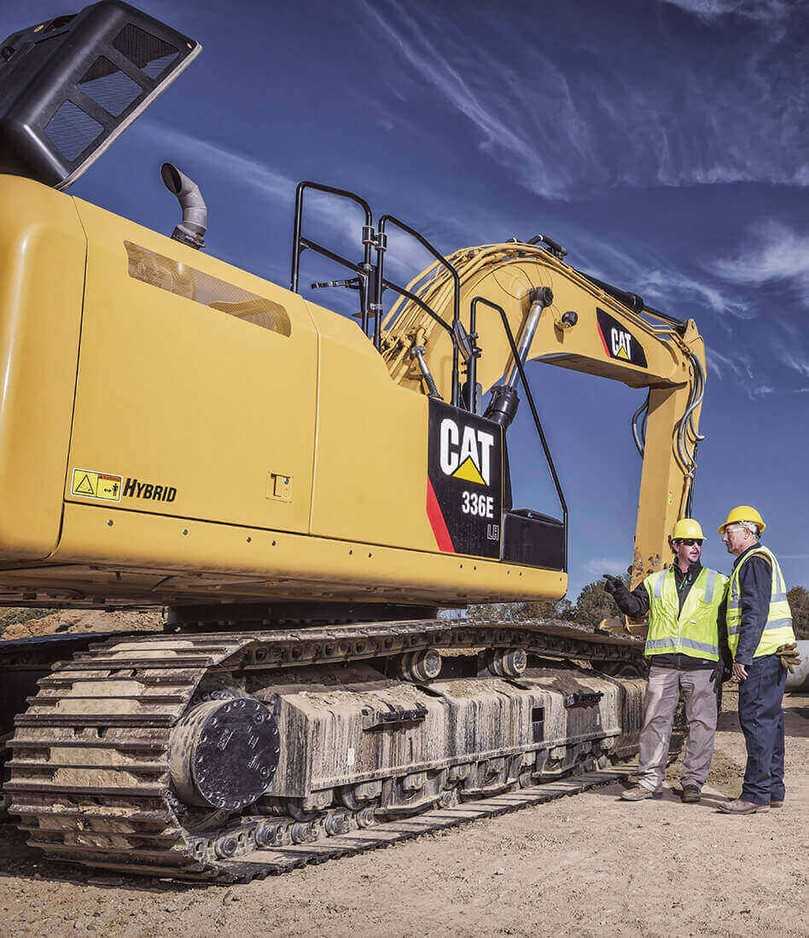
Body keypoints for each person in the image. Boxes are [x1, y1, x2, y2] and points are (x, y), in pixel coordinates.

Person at [603, 518, 727, 803]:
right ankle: (649, 782)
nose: (696, 547)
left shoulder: (718, 582)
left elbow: (726, 624)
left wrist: (726, 661)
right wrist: (621, 593)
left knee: (702, 724)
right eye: (689, 542)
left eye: (699, 543)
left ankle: (693, 782)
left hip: (702, 666)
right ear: (675, 546)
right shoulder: (655, 581)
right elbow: (636, 609)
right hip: (664, 664)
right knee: (656, 722)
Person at [716, 506, 795, 815]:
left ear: (748, 531)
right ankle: (773, 790)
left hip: (761, 656)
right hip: (773, 654)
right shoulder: (760, 560)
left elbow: (755, 612)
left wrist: (742, 656)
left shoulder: (754, 562)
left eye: (729, 531)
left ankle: (756, 794)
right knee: (771, 723)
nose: (724, 537)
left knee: (757, 722)